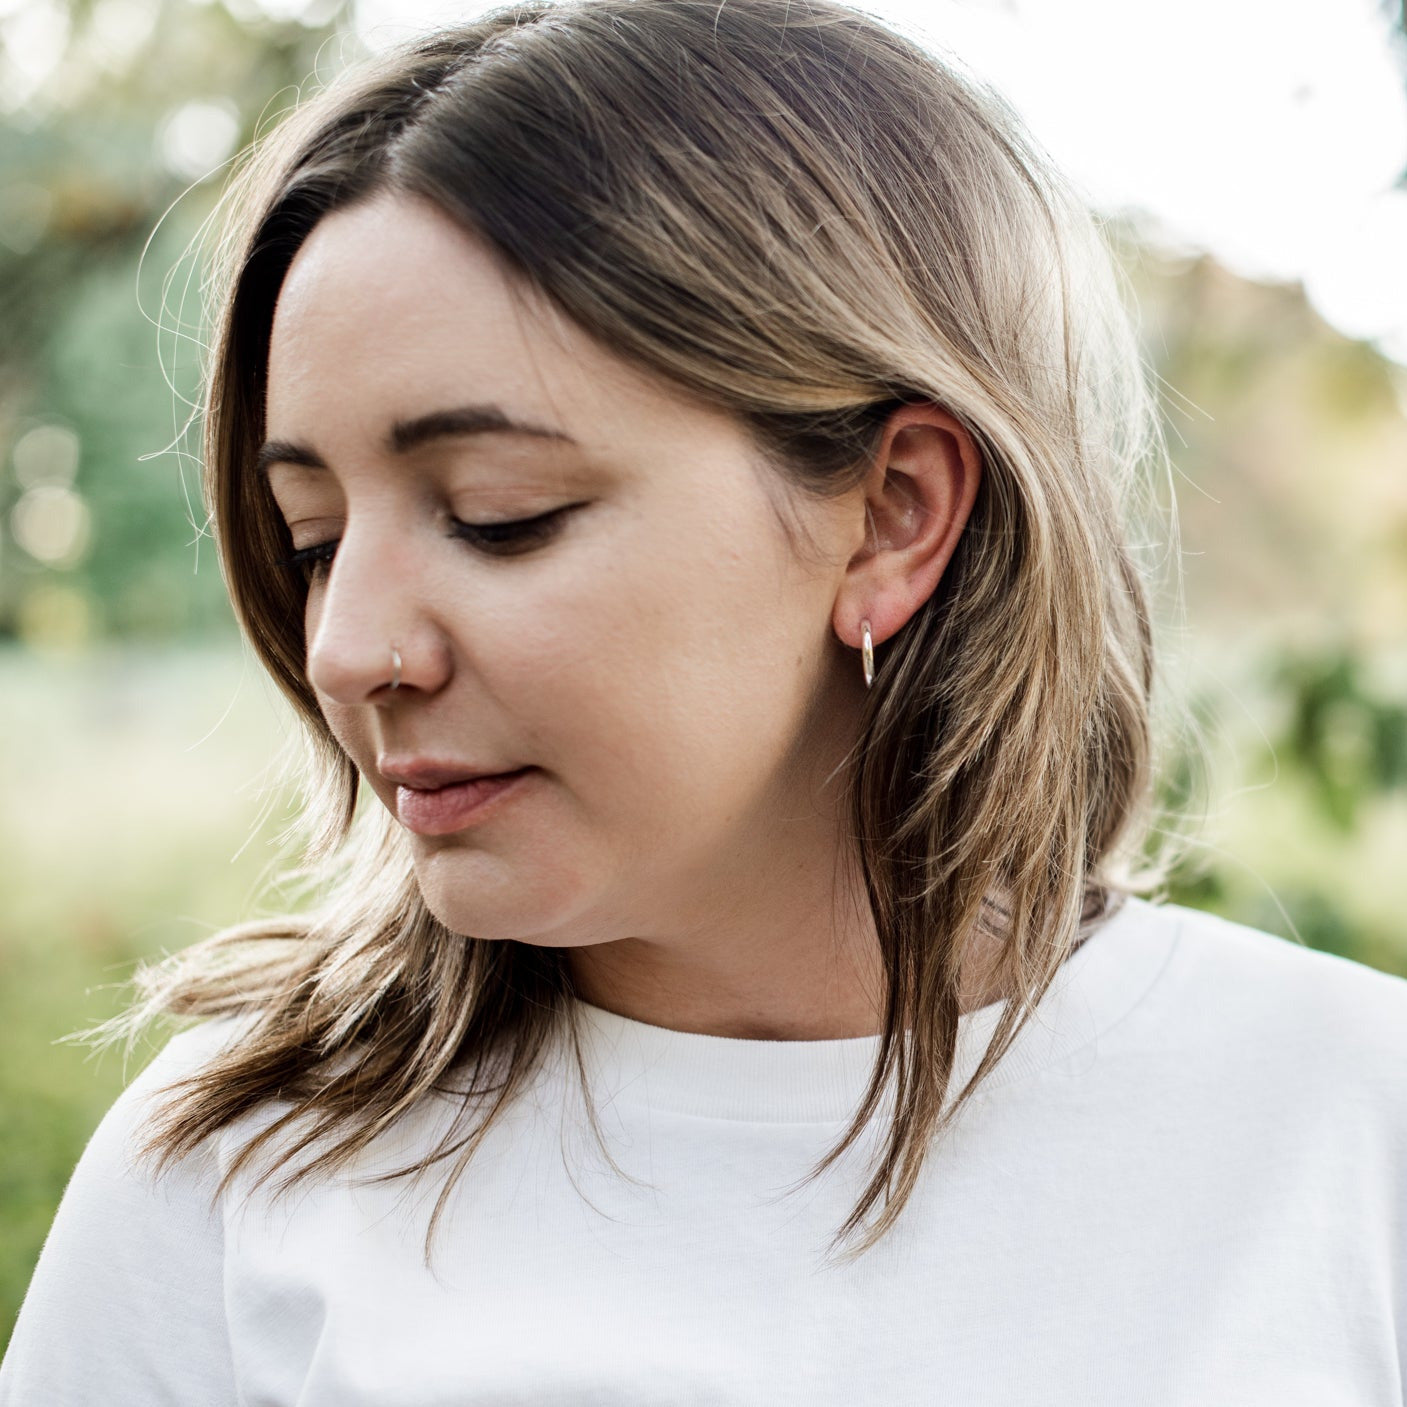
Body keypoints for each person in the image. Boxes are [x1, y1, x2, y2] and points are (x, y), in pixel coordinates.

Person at [4, 0, 1406, 1400]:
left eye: (500, 517)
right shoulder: (231, 1183)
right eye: (314, 539)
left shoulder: (1351, 1130)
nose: (347, 648)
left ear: (893, 518)